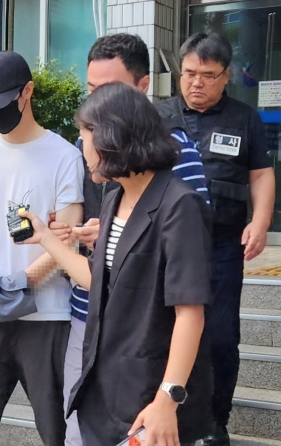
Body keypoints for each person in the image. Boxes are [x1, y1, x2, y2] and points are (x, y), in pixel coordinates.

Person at [23, 82, 213, 446]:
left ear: (111, 135)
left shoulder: (179, 205)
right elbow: (99, 281)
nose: (82, 149)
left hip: (152, 389)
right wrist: (47, 237)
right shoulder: (115, 198)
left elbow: (190, 312)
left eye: (85, 136)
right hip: (107, 384)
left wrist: (167, 398)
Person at [0, 51, 84, 445]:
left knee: (57, 433)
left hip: (46, 319)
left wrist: (20, 283)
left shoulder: (64, 157)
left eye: (2, 103)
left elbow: (67, 236)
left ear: (27, 92)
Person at [156, 32, 276, 446]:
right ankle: (162, 411)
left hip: (223, 245)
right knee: (163, 331)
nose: (196, 83)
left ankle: (213, 421)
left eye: (208, 75)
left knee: (221, 337)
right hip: (167, 247)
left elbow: (260, 174)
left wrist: (259, 222)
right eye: (189, 73)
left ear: (226, 76)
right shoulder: (159, 115)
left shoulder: (244, 118)